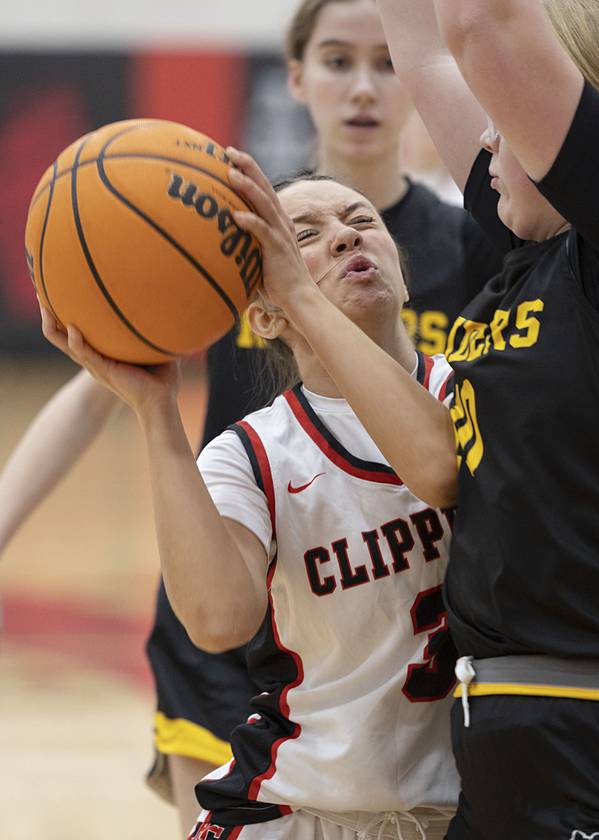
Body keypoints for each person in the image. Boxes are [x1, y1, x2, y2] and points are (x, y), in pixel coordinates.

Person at [222, 0, 599, 835]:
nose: (481, 140)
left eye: (503, 116)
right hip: (511, 737)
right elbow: (426, 44)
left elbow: (483, 22)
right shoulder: (536, 259)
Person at [0, 0, 501, 832]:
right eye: (339, 61)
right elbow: (106, 390)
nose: (364, 87)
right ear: (295, 77)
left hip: (425, 693)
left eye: (387, 60)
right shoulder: (222, 246)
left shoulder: (466, 254)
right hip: (254, 595)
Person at [39, 174, 460, 840]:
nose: (346, 234)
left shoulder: (479, 393)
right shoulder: (254, 454)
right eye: (305, 239)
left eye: (360, 220)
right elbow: (215, 620)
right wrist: (156, 414)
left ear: (403, 274)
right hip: (294, 807)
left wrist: (299, 279)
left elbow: (443, 468)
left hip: (461, 811)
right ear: (264, 316)